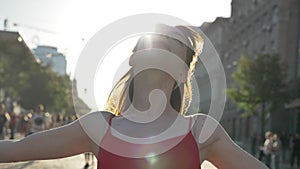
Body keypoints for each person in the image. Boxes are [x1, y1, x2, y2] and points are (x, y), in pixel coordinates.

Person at [0, 24, 268, 169]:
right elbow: (14, 149)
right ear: (134, 59)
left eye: (173, 46)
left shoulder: (201, 131)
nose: (161, 43)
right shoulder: (99, 127)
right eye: (154, 41)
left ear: (183, 74)